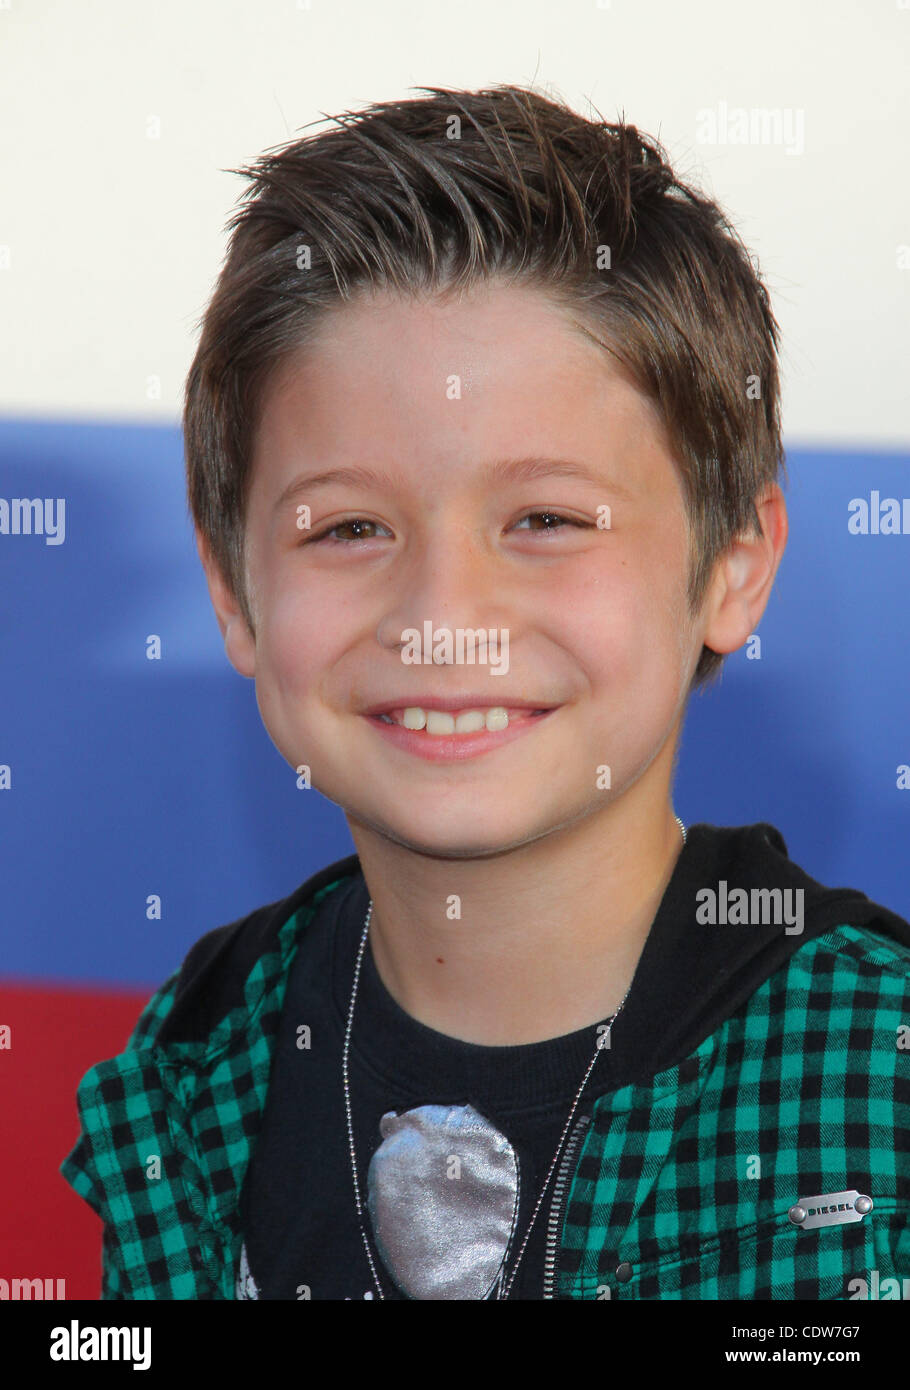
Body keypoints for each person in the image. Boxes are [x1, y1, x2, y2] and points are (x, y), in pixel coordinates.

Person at [61, 83, 910, 1301]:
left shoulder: (877, 1078)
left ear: (731, 568)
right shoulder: (189, 1084)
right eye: (349, 527)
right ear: (233, 592)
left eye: (547, 519)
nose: (443, 616)